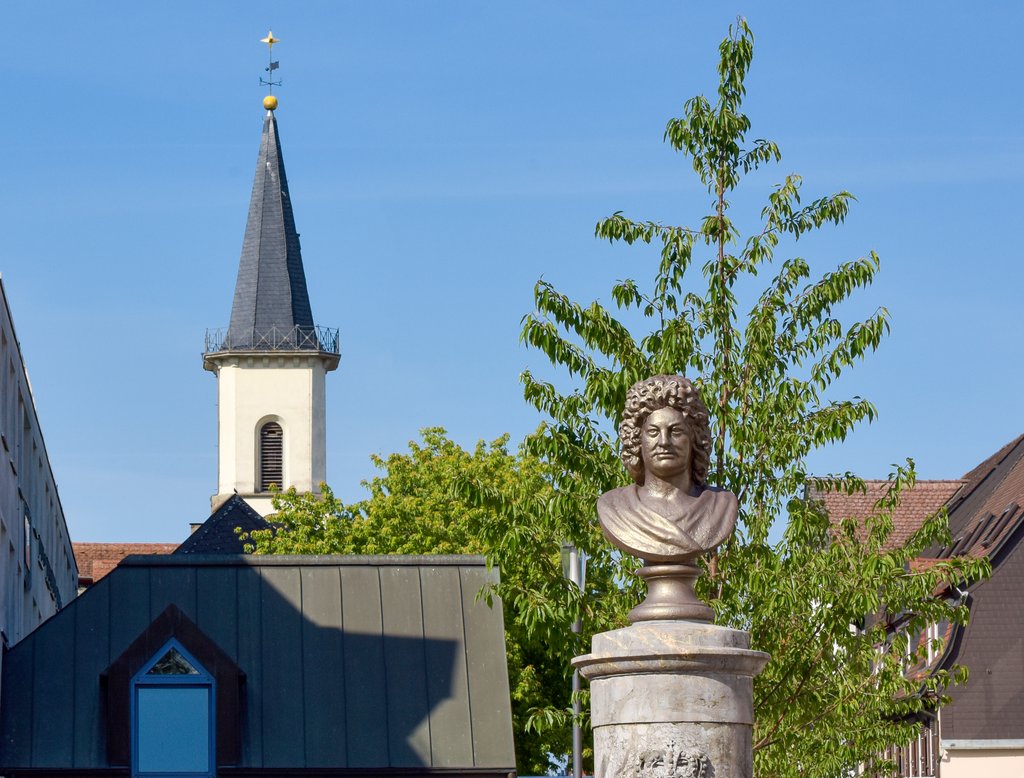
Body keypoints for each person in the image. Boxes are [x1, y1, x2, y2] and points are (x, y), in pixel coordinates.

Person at [597, 375, 737, 564]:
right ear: (637, 439)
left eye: (676, 431)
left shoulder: (719, 505)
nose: (664, 442)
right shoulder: (614, 507)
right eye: (654, 432)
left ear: (695, 438)